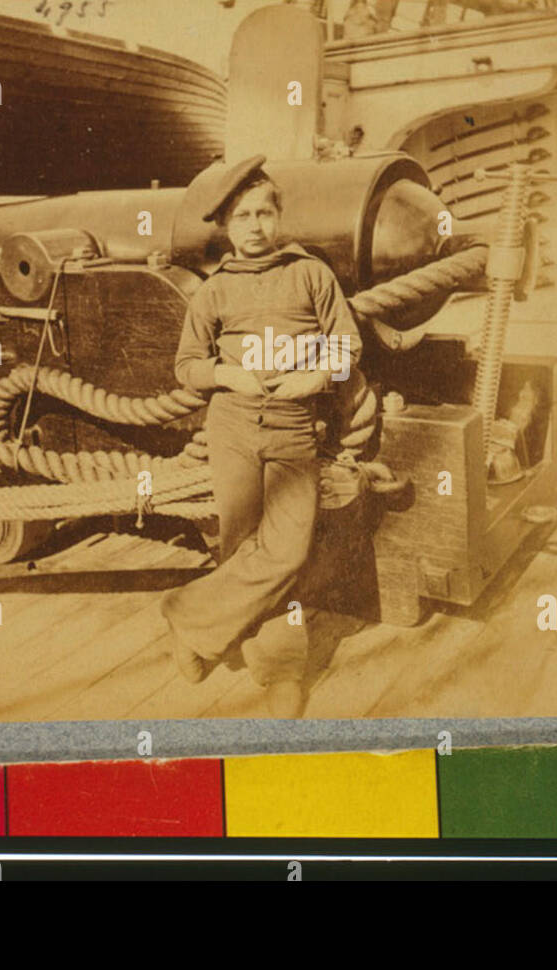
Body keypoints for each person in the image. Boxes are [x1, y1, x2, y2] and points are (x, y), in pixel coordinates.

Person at [161, 155, 362, 718]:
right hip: (231, 428)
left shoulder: (310, 274)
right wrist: (227, 374)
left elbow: (347, 346)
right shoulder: (214, 290)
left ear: (279, 217)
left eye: (264, 213)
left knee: (288, 550)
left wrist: (316, 377)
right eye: (243, 216)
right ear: (226, 227)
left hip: (293, 427)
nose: (255, 226)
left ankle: (190, 617)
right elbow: (186, 366)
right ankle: (279, 668)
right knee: (241, 546)